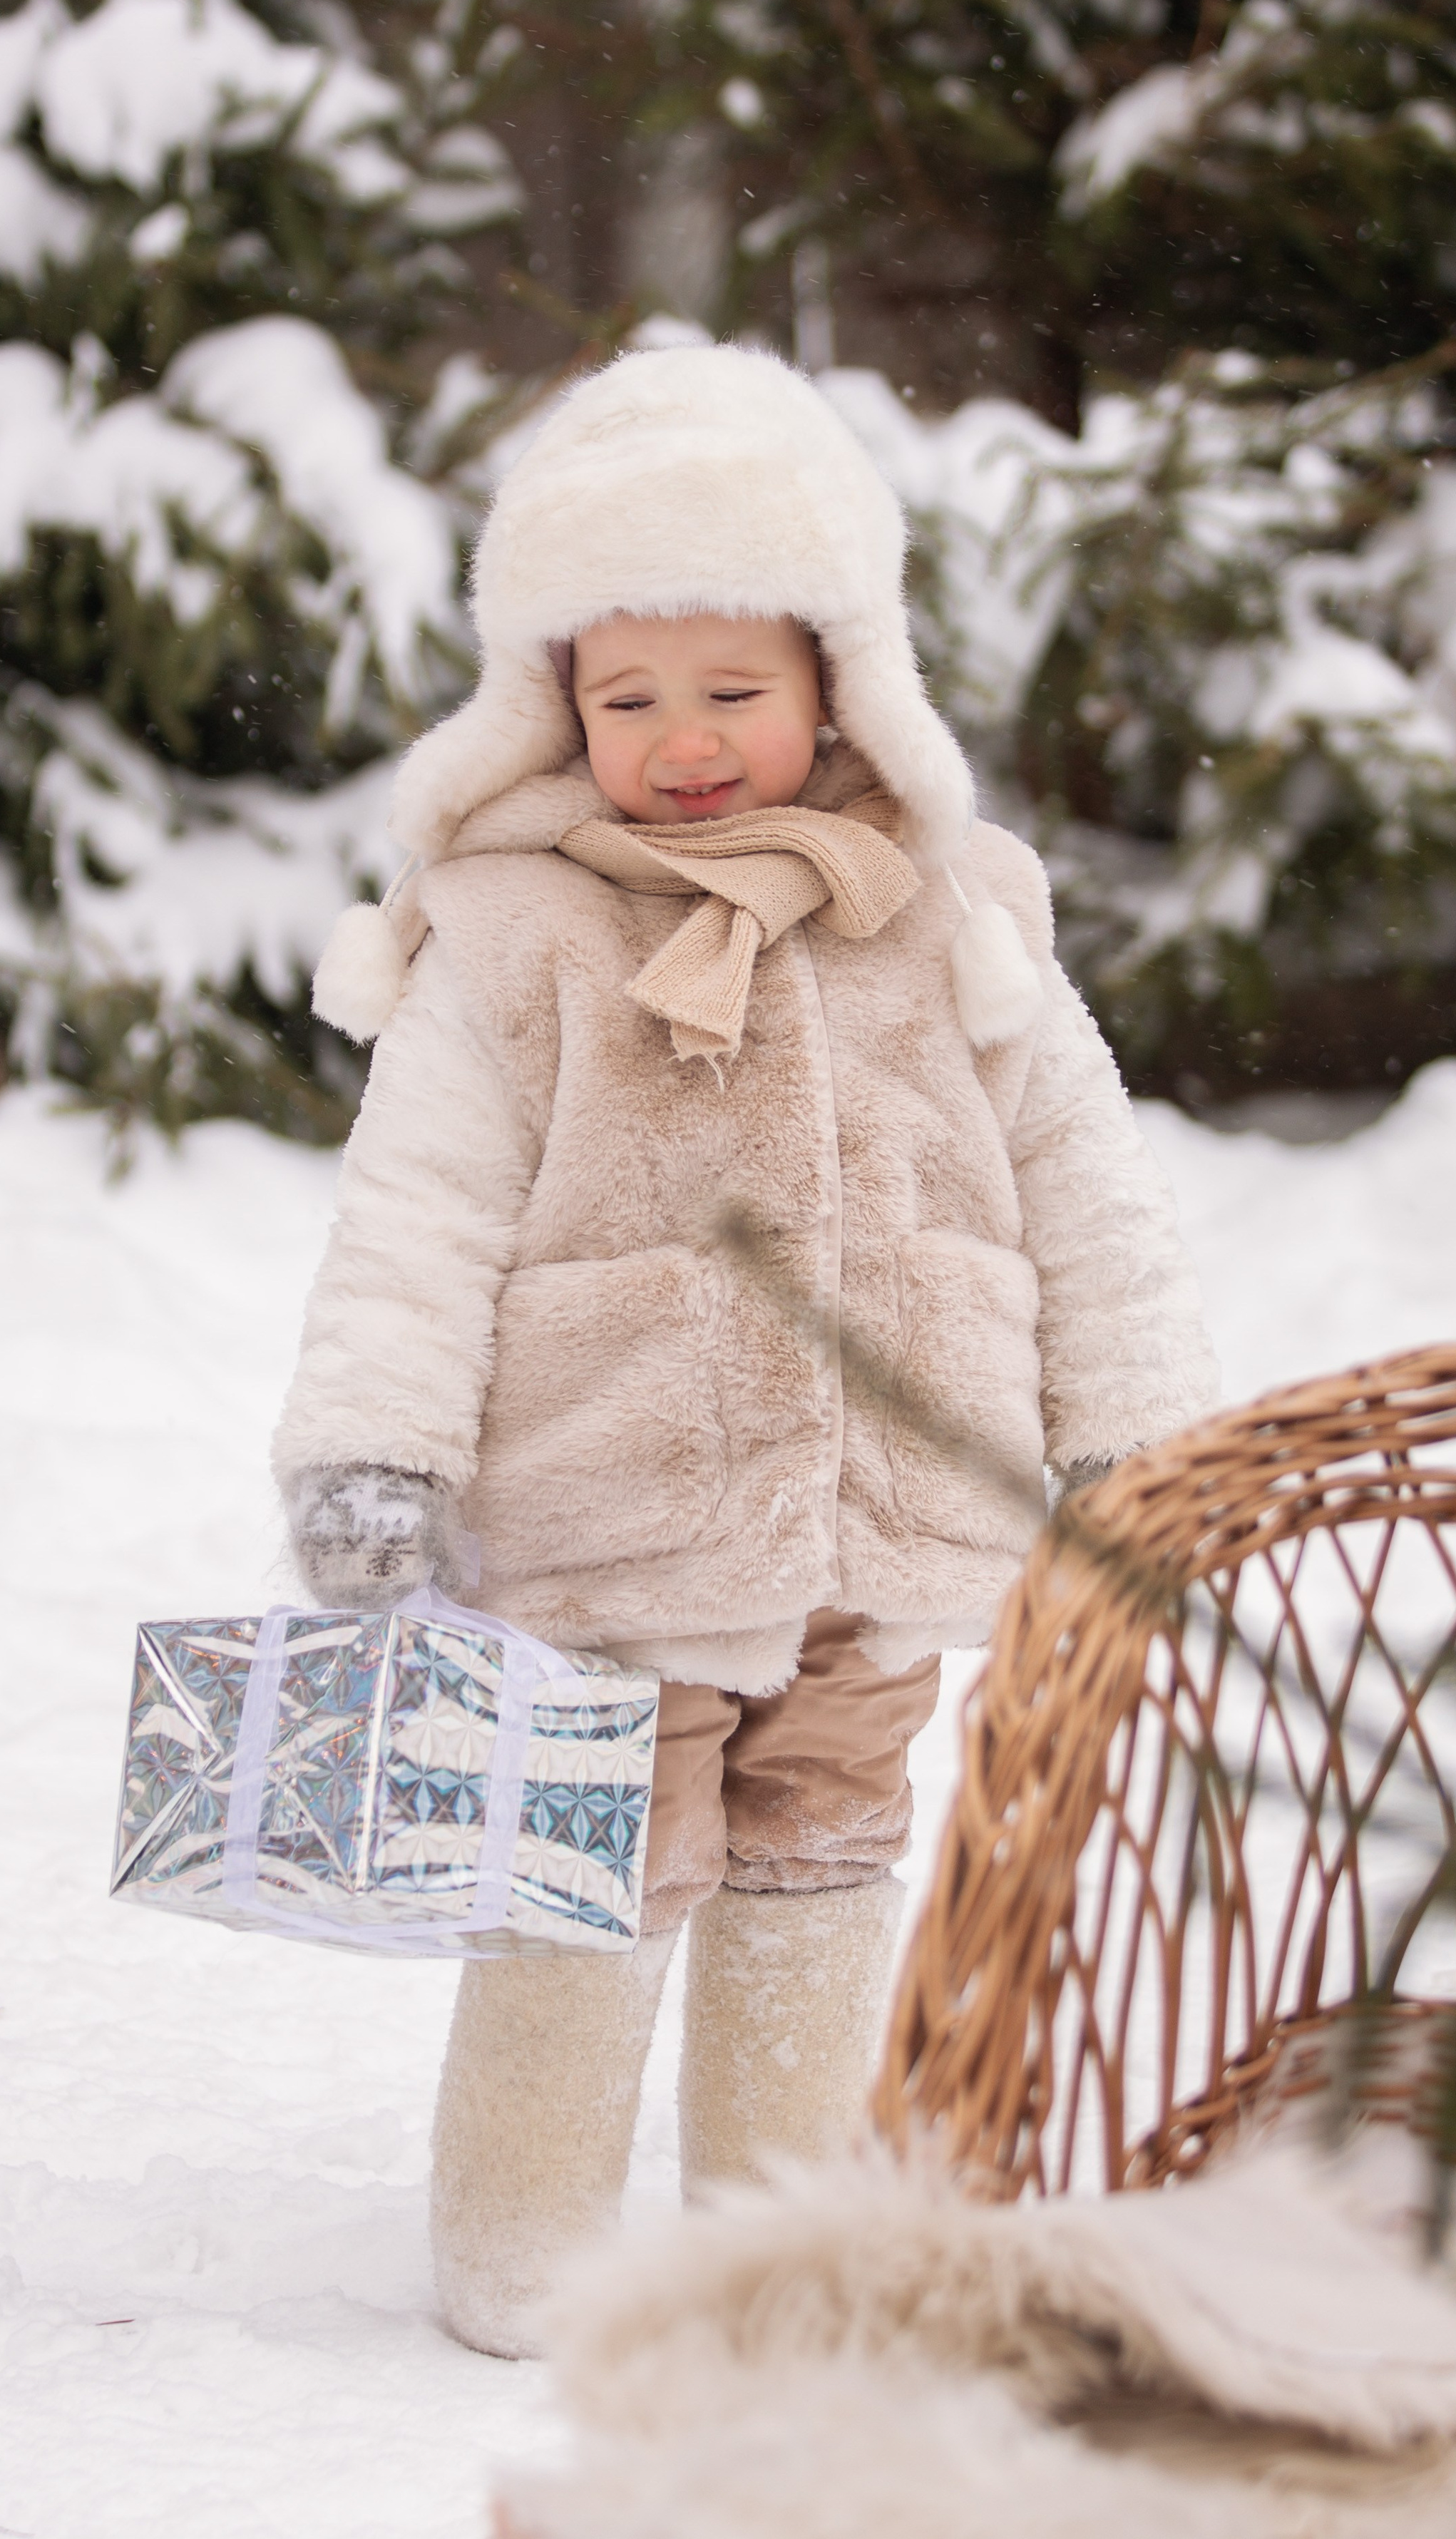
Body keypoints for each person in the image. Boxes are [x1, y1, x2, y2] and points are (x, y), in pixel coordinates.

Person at [272, 342, 1219, 2357]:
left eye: (734, 690)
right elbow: (417, 1212)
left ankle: (776, 2242)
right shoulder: (513, 933)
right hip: (610, 1517)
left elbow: (1085, 1181)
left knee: (824, 1852)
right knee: (589, 1859)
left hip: (881, 1515)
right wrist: (373, 1446)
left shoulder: (949, 916)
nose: (685, 742)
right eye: (628, 699)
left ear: (840, 684)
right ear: (555, 701)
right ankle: (524, 2235)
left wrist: (1133, 1429)